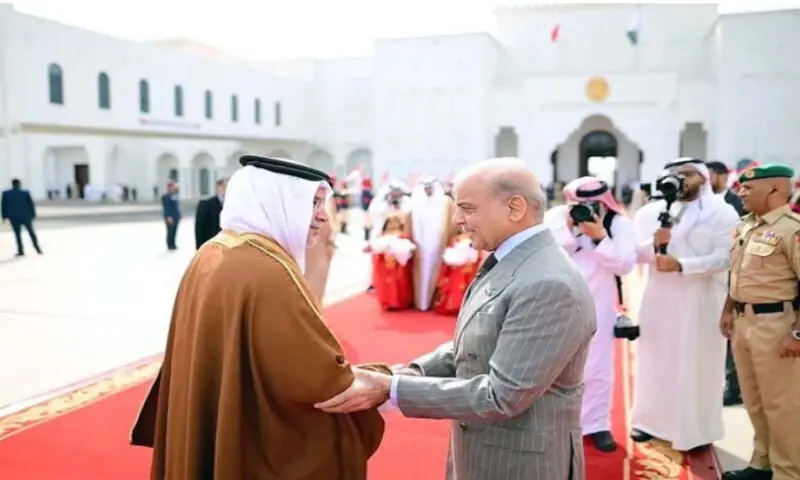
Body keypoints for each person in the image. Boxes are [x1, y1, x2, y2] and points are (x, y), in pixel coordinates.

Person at [315, 157, 597, 480]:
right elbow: (479, 340)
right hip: (483, 453)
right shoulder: (513, 259)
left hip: (520, 466)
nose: (458, 220)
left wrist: (392, 389)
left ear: (515, 208)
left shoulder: (548, 284)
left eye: (467, 208)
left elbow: (501, 396)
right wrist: (413, 372)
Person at [130, 155, 389, 480]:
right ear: (277, 201)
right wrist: (383, 378)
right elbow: (320, 383)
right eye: (313, 203)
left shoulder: (213, 251)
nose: (322, 217)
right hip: (250, 444)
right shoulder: (269, 272)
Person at [630, 157, 739, 451]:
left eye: (687, 174)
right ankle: (650, 421)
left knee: (695, 364)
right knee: (655, 358)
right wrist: (654, 244)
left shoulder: (722, 212)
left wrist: (683, 265)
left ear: (704, 178)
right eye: (675, 174)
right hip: (659, 299)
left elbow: (727, 258)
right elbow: (634, 255)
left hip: (700, 302)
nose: (680, 178)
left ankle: (695, 431)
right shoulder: (651, 212)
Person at [544, 176, 637, 453]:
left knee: (597, 367)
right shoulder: (555, 217)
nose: (588, 209)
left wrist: (599, 238)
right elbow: (548, 253)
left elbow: (624, 265)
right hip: (559, 301)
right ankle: (559, 424)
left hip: (599, 302)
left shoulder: (619, 224)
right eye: (581, 204)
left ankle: (597, 425)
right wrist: (572, 230)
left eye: (594, 204)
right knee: (557, 366)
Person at [720, 164, 800, 480]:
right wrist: (727, 309)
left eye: (748, 188)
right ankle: (762, 464)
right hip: (743, 322)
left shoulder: (791, 229)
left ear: (774, 191)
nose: (741, 192)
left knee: (782, 405)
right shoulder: (745, 226)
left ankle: (789, 472)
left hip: (777, 325)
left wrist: (796, 333)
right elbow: (737, 274)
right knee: (754, 401)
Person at [705, 160, 747, 407]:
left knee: (731, 334)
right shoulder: (704, 203)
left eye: (710, 175)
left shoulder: (735, 203)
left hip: (733, 274)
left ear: (721, 176)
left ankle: (734, 387)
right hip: (712, 276)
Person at [408, 177, 460, 311]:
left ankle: (433, 301)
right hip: (421, 244)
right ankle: (421, 303)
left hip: (439, 243)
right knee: (422, 271)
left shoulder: (445, 203)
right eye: (426, 187)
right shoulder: (417, 203)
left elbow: (452, 223)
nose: (428, 190)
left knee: (437, 270)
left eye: (430, 187)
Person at [367, 213, 416, 310]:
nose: (393, 225)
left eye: (395, 222)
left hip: (399, 265)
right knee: (386, 284)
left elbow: (409, 248)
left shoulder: (403, 236)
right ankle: (387, 302)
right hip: (385, 264)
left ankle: (400, 302)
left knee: (399, 284)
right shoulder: (382, 236)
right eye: (390, 223)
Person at [431, 231, 485, 316]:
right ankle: (450, 306)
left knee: (462, 283)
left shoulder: (474, 237)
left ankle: (462, 306)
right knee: (451, 283)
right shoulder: (455, 237)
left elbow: (475, 254)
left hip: (467, 266)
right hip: (456, 265)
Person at [1, 178, 42, 256]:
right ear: (19, 184)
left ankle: (20, 250)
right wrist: (33, 215)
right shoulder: (25, 193)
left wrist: (4, 216)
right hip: (26, 216)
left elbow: (3, 206)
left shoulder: (6, 194)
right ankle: (37, 248)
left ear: (12, 184)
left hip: (13, 217)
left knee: (17, 234)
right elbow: (31, 205)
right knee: (31, 232)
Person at [194, 178, 226, 249]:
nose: (225, 189)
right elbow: (199, 229)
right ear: (218, 187)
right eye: (223, 186)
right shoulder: (206, 204)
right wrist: (199, 248)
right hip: (211, 245)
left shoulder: (234, 204)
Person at [160, 181, 181, 251]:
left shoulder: (174, 195)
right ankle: (169, 245)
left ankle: (173, 244)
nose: (173, 188)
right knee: (170, 232)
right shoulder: (166, 196)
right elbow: (166, 208)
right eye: (171, 187)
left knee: (174, 231)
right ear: (168, 188)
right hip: (170, 217)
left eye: (173, 187)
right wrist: (168, 217)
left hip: (176, 217)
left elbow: (176, 207)